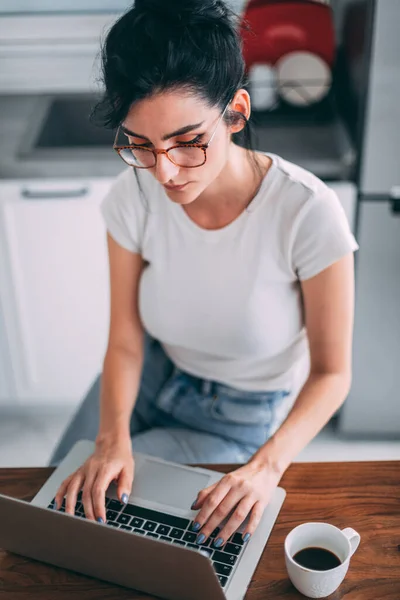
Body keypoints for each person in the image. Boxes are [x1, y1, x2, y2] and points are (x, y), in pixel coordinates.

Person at [50, 0, 358, 549]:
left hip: (237, 415)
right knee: (57, 507)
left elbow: (333, 375)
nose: (164, 172)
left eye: (189, 141)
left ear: (236, 112)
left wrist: (266, 468)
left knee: (119, 534)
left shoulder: (308, 212)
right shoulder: (135, 195)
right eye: (140, 145)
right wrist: (110, 436)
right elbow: (124, 339)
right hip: (147, 373)